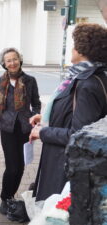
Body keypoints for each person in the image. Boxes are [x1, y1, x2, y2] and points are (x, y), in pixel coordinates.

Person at [29, 23, 107, 202]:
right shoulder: (90, 76)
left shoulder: (87, 84)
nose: (72, 49)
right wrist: (49, 117)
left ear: (82, 49)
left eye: (74, 44)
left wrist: (43, 131)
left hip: (66, 168)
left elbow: (80, 136)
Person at [0, 48, 41, 216]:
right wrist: (0, 117)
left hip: (25, 128)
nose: (12, 63)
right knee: (12, 166)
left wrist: (34, 118)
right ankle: (4, 198)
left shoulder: (30, 80)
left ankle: (11, 196)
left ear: (20, 60)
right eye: (8, 60)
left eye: (15, 59)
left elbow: (36, 103)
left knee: (20, 167)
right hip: (7, 129)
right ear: (4, 64)